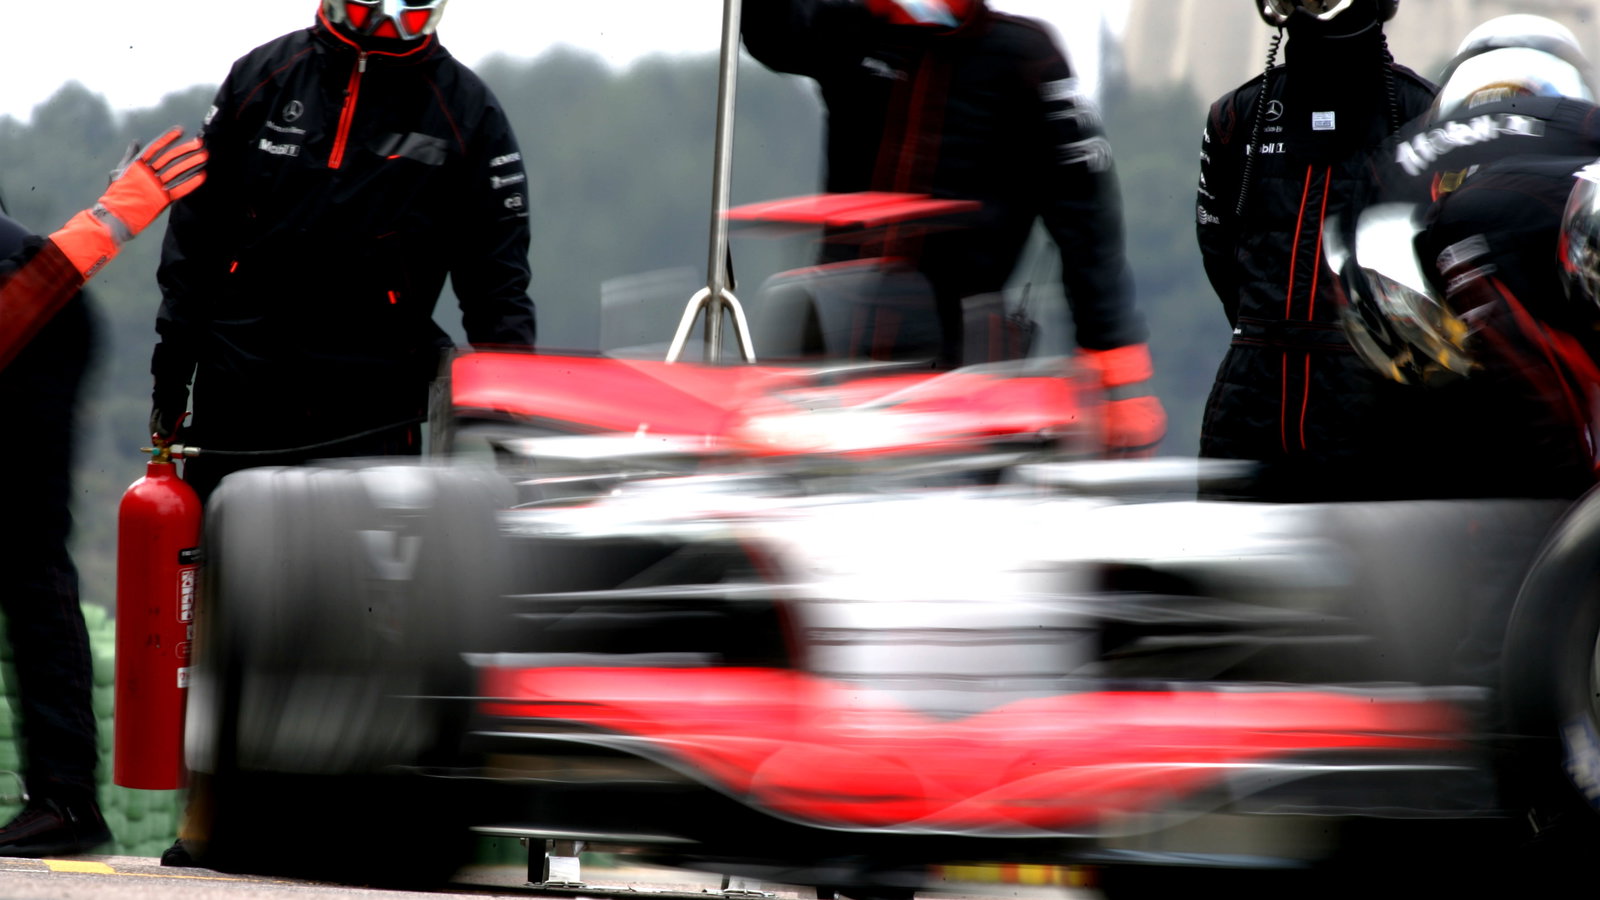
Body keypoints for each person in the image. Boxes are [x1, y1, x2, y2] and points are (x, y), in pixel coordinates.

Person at [151, 0, 538, 504]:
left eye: (408, 11)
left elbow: (498, 290)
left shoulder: (468, 111)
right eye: (365, 5)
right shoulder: (262, 76)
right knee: (226, 573)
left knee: (362, 581)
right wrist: (170, 377)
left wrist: (515, 434)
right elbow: (195, 239)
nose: (382, 20)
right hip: (242, 393)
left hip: (373, 411)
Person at [740, 0, 1166, 457]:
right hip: (829, 354)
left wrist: (1119, 373)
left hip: (962, 370)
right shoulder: (853, 30)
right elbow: (772, 34)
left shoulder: (1028, 57)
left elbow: (1088, 223)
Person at [0, 128, 207, 857]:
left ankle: (64, 799)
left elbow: (17, 307)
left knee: (26, 555)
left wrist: (115, 212)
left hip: (34, 318)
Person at [1345, 14, 1600, 500]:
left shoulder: (1408, 144)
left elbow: (1364, 239)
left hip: (1435, 262)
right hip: (1544, 245)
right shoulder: (1577, 118)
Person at [1195, 0, 1436, 500]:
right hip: (1250, 397)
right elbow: (1219, 252)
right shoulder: (1236, 116)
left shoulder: (1426, 115)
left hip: (1374, 404)